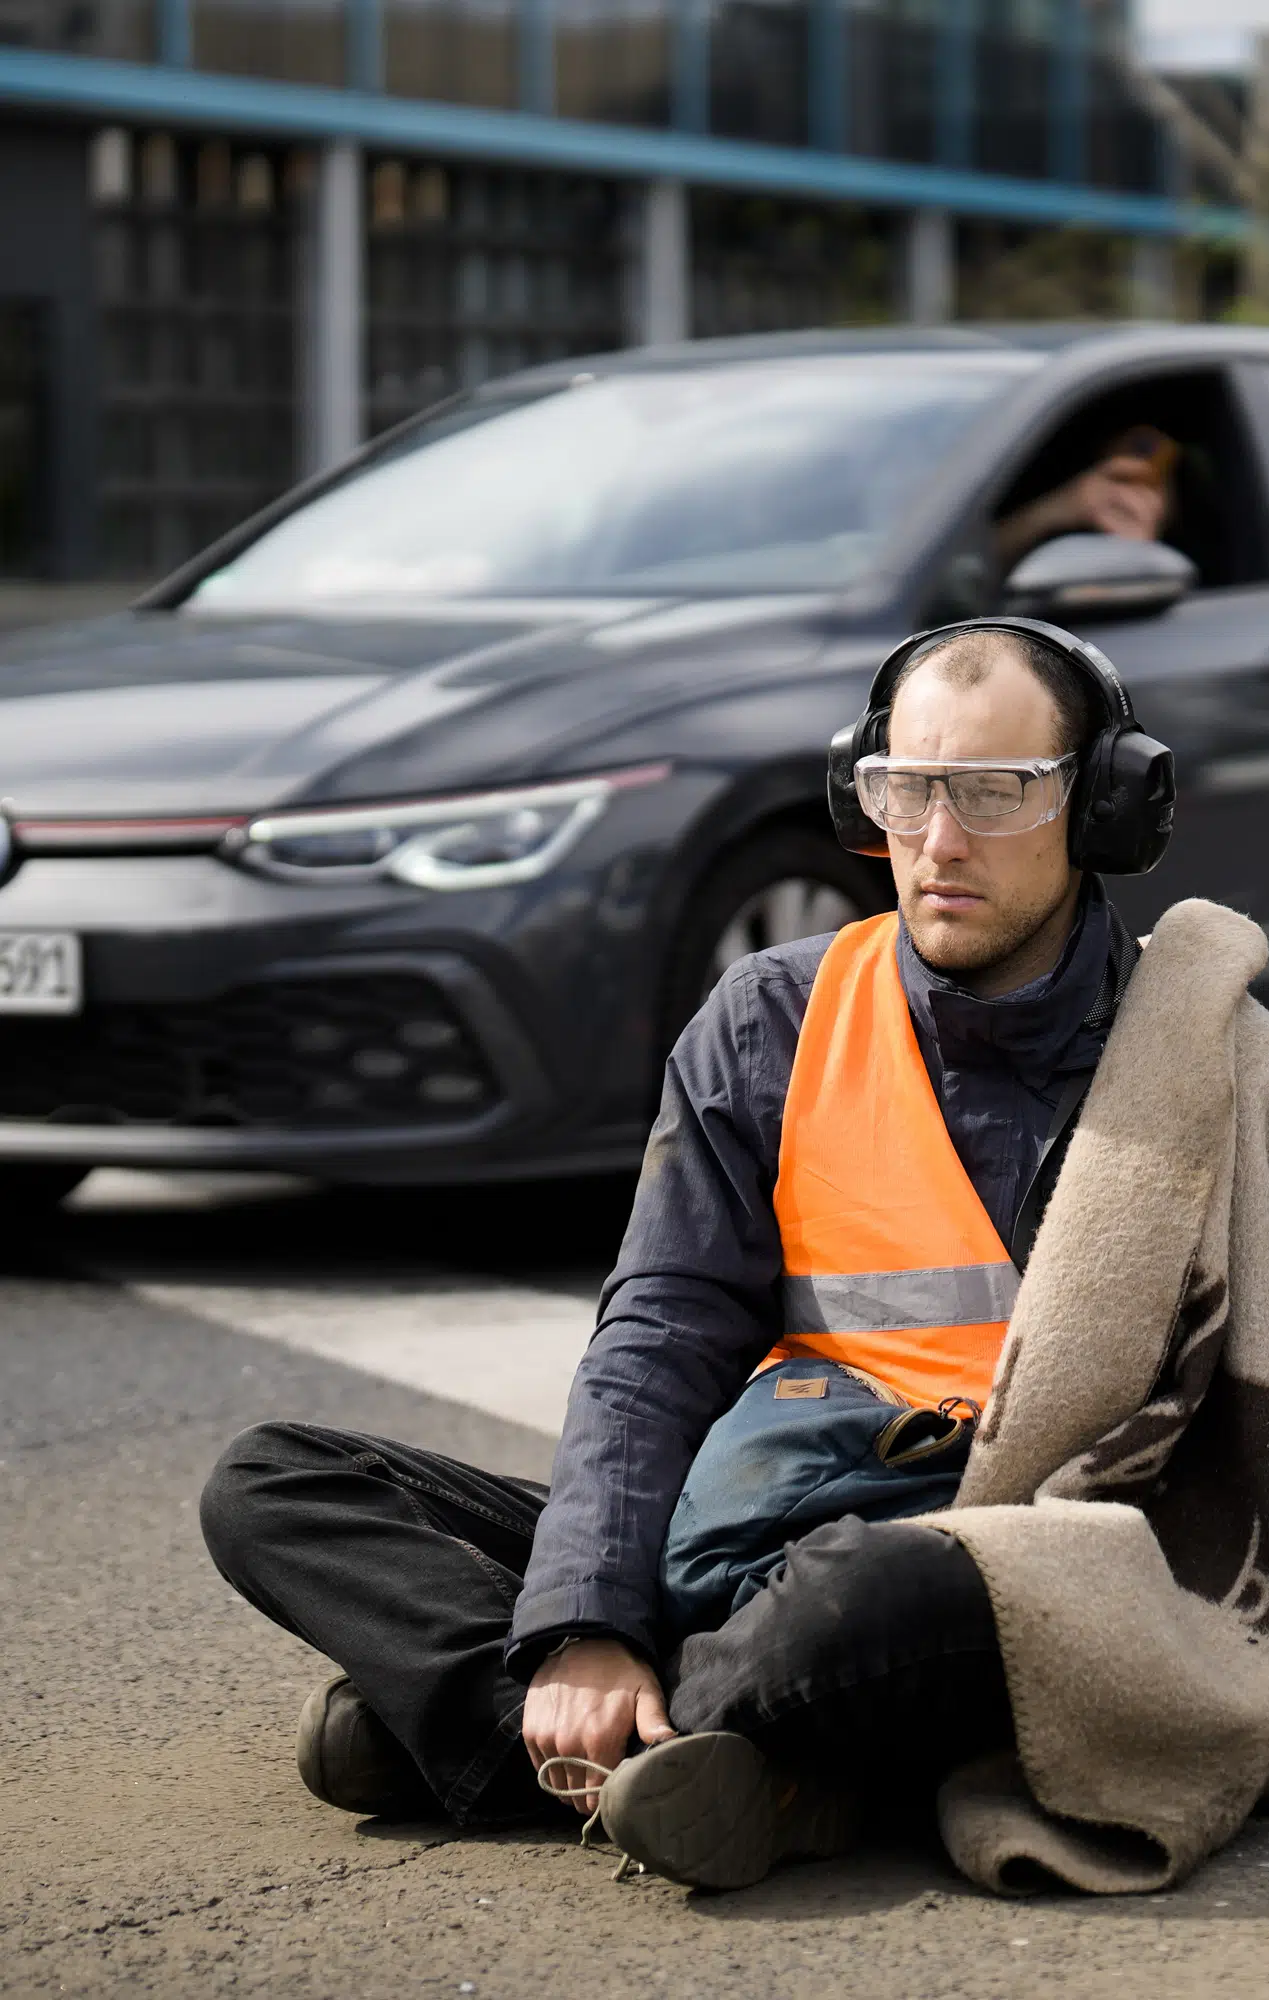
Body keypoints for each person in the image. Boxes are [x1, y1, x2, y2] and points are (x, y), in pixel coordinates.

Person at [201, 622, 1145, 1880]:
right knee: (272, 1480)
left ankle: (480, 1736)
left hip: (960, 1558)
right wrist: (587, 1616)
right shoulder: (769, 1016)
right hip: (736, 1523)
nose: (937, 840)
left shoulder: (1181, 1053)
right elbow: (658, 1335)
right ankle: (698, 1750)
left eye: (994, 792)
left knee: (879, 1603)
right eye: (905, 789)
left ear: (1106, 805)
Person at [988, 426, 1178, 580]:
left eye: (1150, 479)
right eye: (1119, 479)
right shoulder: (1060, 510)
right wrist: (1054, 511)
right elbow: (969, 564)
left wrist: (1140, 551)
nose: (1128, 494)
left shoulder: (1191, 555)